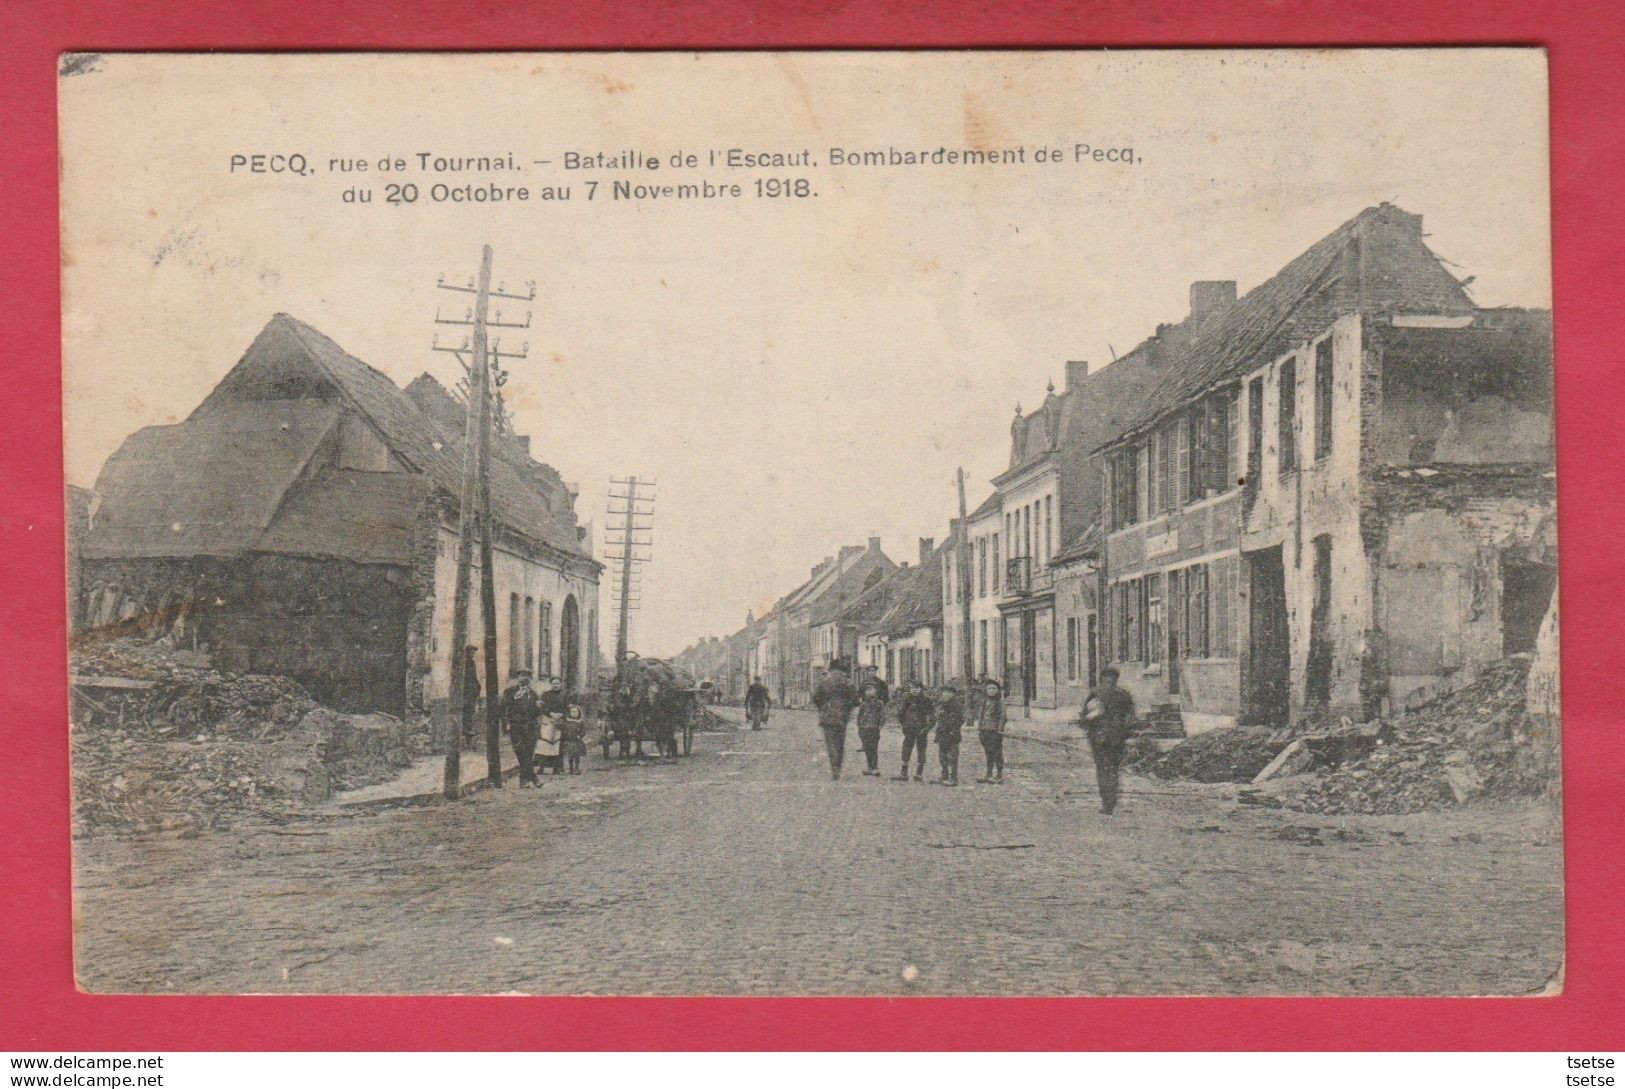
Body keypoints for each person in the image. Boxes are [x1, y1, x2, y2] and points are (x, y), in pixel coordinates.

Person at [1081, 666, 1138, 814]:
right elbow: (1132, 717)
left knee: (1102, 769)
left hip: (1099, 738)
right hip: (1117, 738)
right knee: (1113, 769)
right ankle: (1111, 802)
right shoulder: (1124, 695)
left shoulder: (1095, 693)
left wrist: (1088, 727)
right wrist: (1126, 731)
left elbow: (1084, 716)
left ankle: (1106, 803)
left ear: (1102, 679)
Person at [812, 658, 859, 779]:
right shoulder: (848, 683)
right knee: (840, 742)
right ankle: (838, 765)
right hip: (842, 716)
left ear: (831, 669)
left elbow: (816, 698)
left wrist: (823, 708)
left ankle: (834, 768)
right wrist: (847, 709)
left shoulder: (824, 682)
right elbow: (855, 700)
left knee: (830, 742)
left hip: (827, 716)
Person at [499, 668, 543, 787]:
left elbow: (537, 713)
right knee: (520, 751)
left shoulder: (533, 693)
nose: (525, 677)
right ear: (518, 677)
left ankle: (524, 781)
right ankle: (533, 777)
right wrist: (506, 723)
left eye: (528, 675)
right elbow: (502, 709)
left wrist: (539, 708)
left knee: (529, 753)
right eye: (522, 675)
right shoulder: (510, 692)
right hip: (516, 725)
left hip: (531, 727)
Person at [892, 679, 935, 782]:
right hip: (909, 729)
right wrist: (904, 726)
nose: (914, 690)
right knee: (906, 748)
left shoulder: (926, 700)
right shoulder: (907, 699)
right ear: (910, 689)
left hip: (921, 729)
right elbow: (901, 714)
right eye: (912, 688)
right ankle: (904, 773)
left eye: (917, 688)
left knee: (921, 749)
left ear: (921, 689)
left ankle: (919, 773)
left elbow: (933, 716)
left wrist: (927, 728)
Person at [974, 677, 1007, 783]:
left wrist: (1000, 729)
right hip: (984, 730)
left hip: (994, 731)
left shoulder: (1000, 703)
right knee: (988, 753)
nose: (991, 691)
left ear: (997, 690)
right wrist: (979, 728)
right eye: (989, 688)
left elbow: (1003, 717)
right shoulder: (984, 702)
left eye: (994, 688)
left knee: (997, 753)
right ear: (986, 690)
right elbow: (981, 716)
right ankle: (988, 774)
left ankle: (999, 775)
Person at [934, 683, 964, 786]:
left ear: (953, 694)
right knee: (942, 756)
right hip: (942, 734)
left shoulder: (956, 705)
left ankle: (953, 778)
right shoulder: (942, 704)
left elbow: (960, 720)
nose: (946, 694)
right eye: (944, 692)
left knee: (953, 757)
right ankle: (944, 776)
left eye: (949, 692)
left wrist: (953, 730)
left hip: (952, 735)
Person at [854, 680, 887, 776]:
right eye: (867, 690)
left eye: (871, 689)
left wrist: (880, 726)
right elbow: (859, 716)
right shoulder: (863, 704)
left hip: (874, 729)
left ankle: (875, 768)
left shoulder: (879, 703)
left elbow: (883, 716)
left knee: (874, 748)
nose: (869, 692)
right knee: (867, 749)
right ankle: (869, 768)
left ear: (876, 691)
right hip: (864, 729)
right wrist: (860, 726)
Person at [563, 704, 586, 775]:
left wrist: (580, 735)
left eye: (576, 711)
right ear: (569, 712)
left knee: (576, 755)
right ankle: (571, 768)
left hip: (576, 740)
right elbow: (564, 729)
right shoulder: (567, 721)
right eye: (572, 711)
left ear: (579, 712)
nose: (574, 713)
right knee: (570, 756)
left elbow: (583, 730)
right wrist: (565, 734)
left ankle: (577, 768)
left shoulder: (580, 721)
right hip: (569, 740)